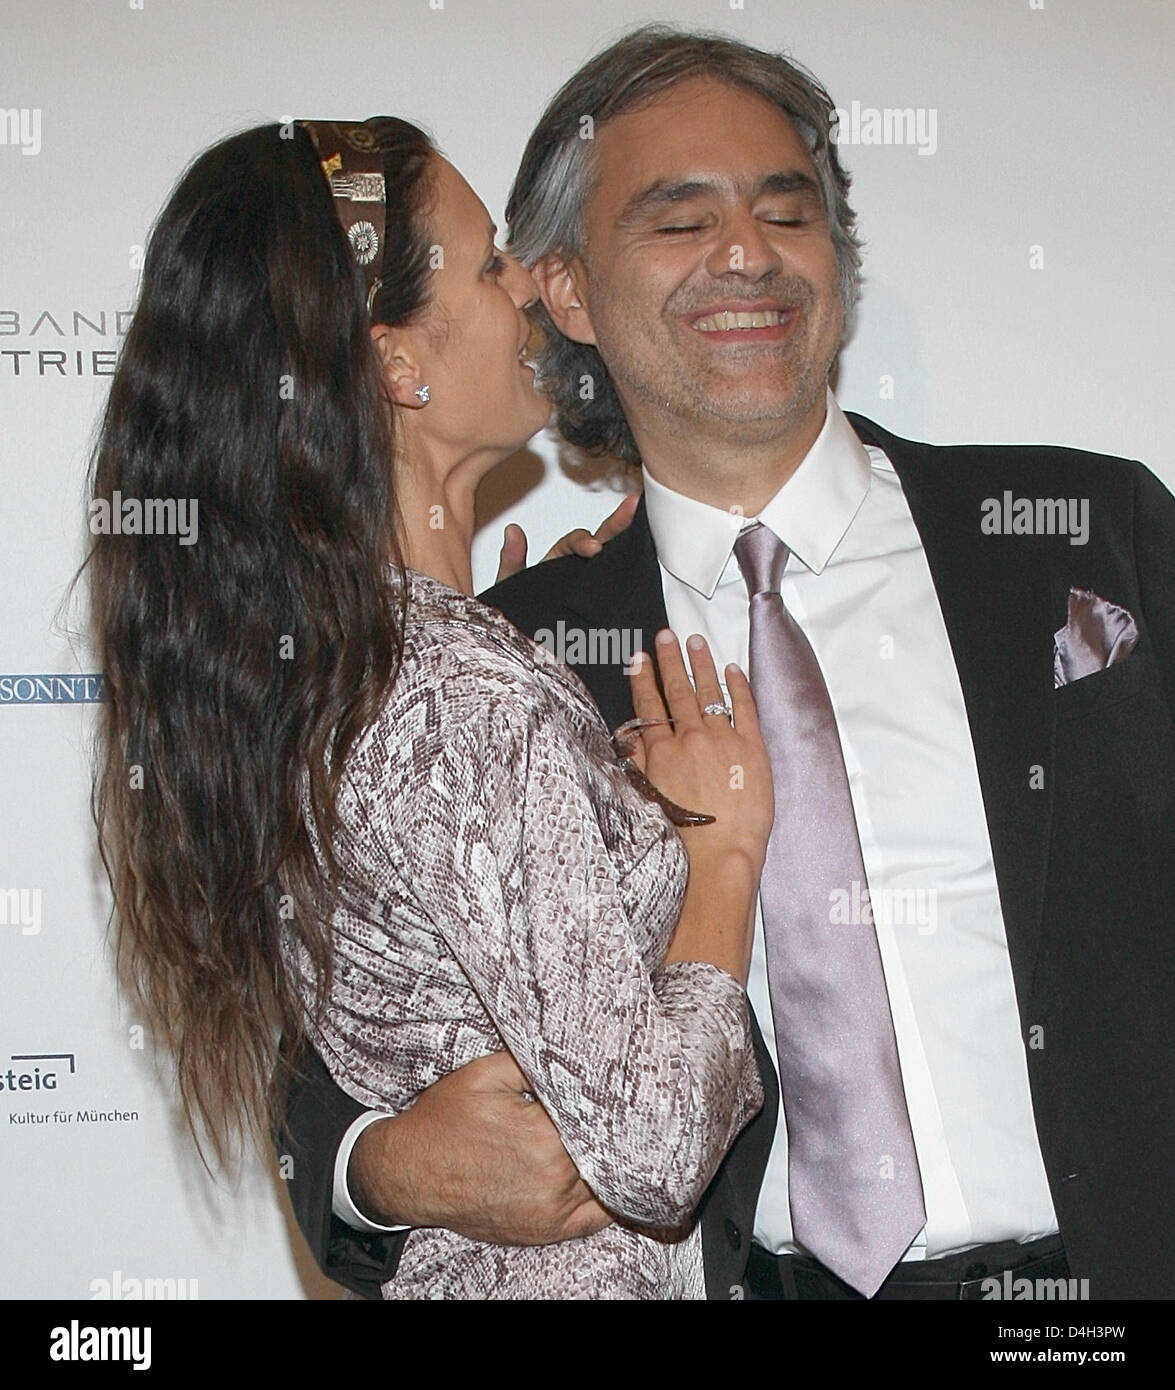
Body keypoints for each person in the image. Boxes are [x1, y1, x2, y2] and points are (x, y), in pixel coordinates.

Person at [282, 26, 1175, 1301]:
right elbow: (336, 1052)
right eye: (678, 220)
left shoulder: (1084, 530)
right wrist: (380, 1169)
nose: (746, 253)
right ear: (565, 292)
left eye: (784, 210)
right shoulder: (515, 662)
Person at [88, 113, 778, 1299]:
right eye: (486, 261)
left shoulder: (323, 669)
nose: (526, 288)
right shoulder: (459, 695)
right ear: (394, 360)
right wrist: (723, 857)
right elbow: (656, 1151)